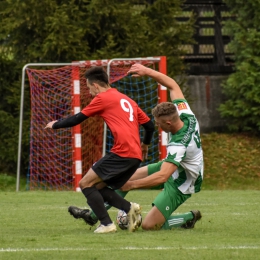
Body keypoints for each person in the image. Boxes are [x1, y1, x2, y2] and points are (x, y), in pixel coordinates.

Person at [70, 63, 203, 231]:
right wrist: (146, 71)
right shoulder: (185, 113)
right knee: (125, 177)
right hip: (171, 165)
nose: (157, 126)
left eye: (159, 124)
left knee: (149, 225)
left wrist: (131, 186)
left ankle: (188, 218)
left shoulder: (179, 144)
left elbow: (163, 177)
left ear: (168, 122)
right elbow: (172, 84)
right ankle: (94, 215)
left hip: (182, 181)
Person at [45, 66, 155, 233]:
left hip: (122, 152)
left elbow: (77, 118)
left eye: (89, 89)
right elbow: (149, 125)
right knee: (97, 187)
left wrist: (55, 125)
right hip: (135, 156)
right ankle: (129, 208)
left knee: (85, 183)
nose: (90, 93)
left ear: (96, 85)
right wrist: (145, 145)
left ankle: (106, 224)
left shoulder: (103, 97)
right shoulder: (128, 100)